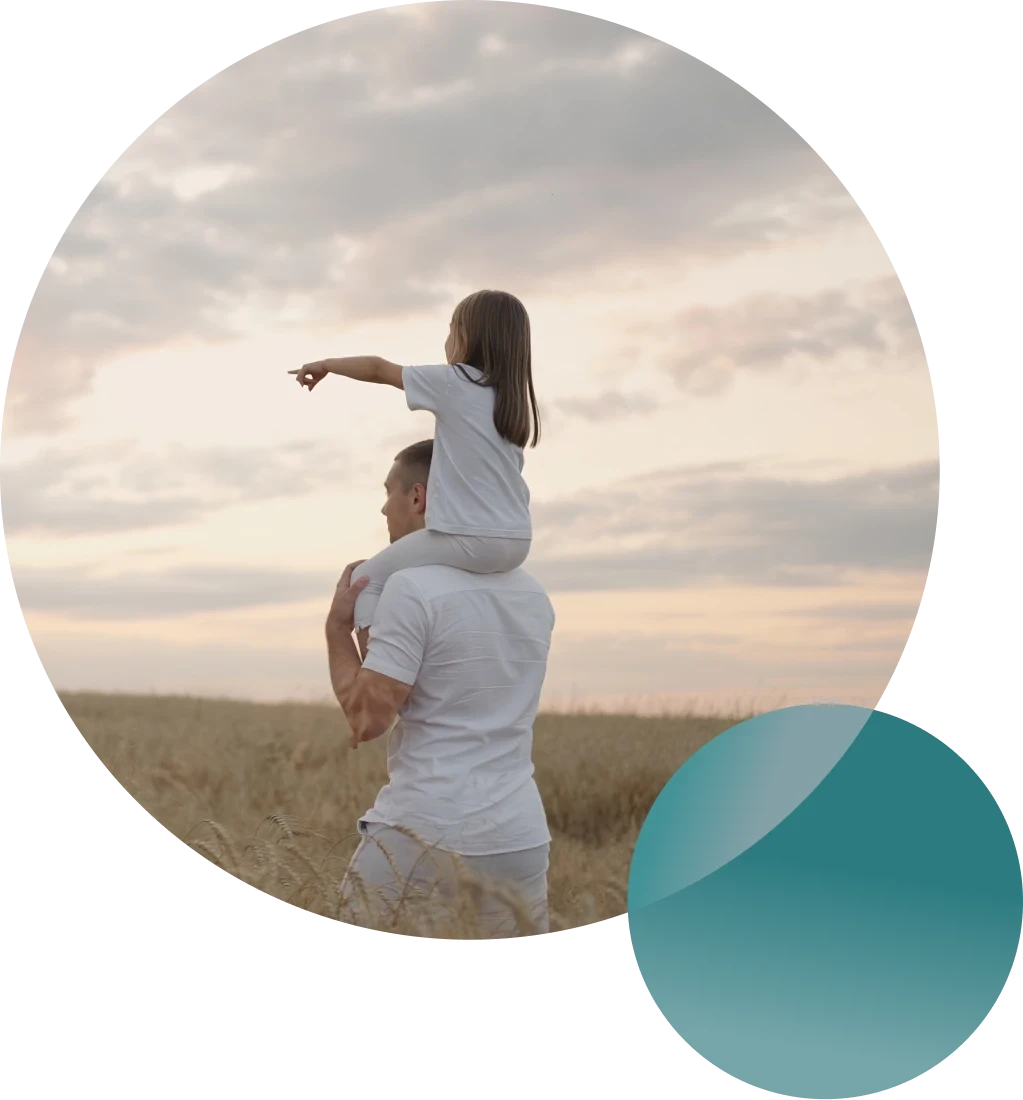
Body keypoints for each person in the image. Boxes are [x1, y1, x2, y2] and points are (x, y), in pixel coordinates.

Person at [323, 439, 556, 940]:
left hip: (425, 829)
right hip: (520, 836)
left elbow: (368, 718)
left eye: (388, 491)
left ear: (418, 498)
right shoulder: (534, 595)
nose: (383, 506)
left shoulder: (412, 588)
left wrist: (336, 631)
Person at [289, 288, 540, 643]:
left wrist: (326, 365)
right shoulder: (511, 404)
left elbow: (379, 368)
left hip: (470, 537)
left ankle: (377, 672)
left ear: (470, 336)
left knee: (367, 580)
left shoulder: (457, 382)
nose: (447, 339)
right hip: (517, 541)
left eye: (452, 330)